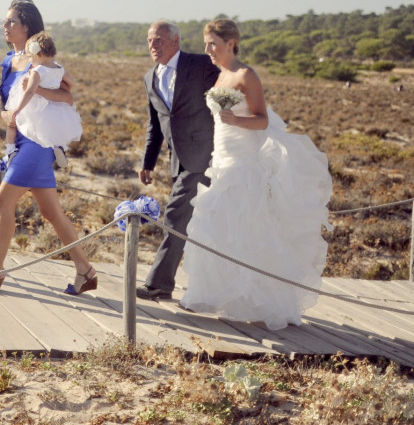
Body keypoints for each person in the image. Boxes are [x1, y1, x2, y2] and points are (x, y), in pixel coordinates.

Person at [180, 19, 332, 329]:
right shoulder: (222, 75)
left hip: (243, 163)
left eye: (213, 44)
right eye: (206, 43)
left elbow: (262, 120)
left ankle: (261, 300)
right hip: (220, 159)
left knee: (246, 227)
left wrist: (236, 122)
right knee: (219, 226)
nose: (207, 49)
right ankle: (225, 295)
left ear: (231, 44)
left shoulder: (246, 75)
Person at [0, 0, 96, 294]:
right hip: (20, 138)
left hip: (39, 142)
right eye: (5, 21)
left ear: (27, 26)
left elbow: (68, 98)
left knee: (3, 201)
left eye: (11, 21)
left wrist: (38, 89)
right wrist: (5, 116)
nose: (5, 26)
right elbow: (8, 105)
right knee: (51, 212)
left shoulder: (43, 60)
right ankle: (86, 270)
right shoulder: (6, 61)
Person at [137, 20, 219, 300]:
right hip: (178, 159)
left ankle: (159, 283)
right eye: (149, 41)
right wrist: (148, 162)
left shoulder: (199, 64)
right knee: (191, 222)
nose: (152, 46)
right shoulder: (150, 77)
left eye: (158, 40)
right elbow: (155, 123)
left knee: (174, 216)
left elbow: (230, 82)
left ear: (176, 41)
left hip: (203, 156)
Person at [4, 31, 82, 164]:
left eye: (30, 57)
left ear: (37, 54)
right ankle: (60, 147)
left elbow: (29, 92)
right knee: (57, 128)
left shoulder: (37, 71)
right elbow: (73, 82)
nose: (29, 60)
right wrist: (61, 81)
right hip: (56, 106)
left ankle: (10, 149)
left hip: (37, 107)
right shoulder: (59, 68)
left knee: (13, 125)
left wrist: (17, 109)